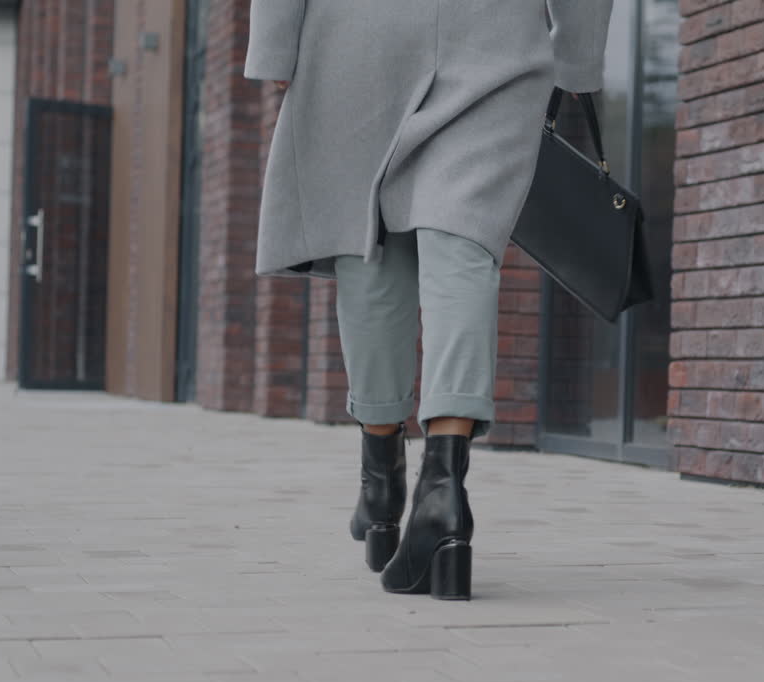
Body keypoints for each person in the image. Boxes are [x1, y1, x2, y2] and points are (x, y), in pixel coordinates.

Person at [245, 1, 613, 600]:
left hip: (356, 35)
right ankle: (442, 492)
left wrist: (275, 46)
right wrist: (576, 55)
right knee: (463, 245)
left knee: (369, 248)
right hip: (497, 35)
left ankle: (381, 481)